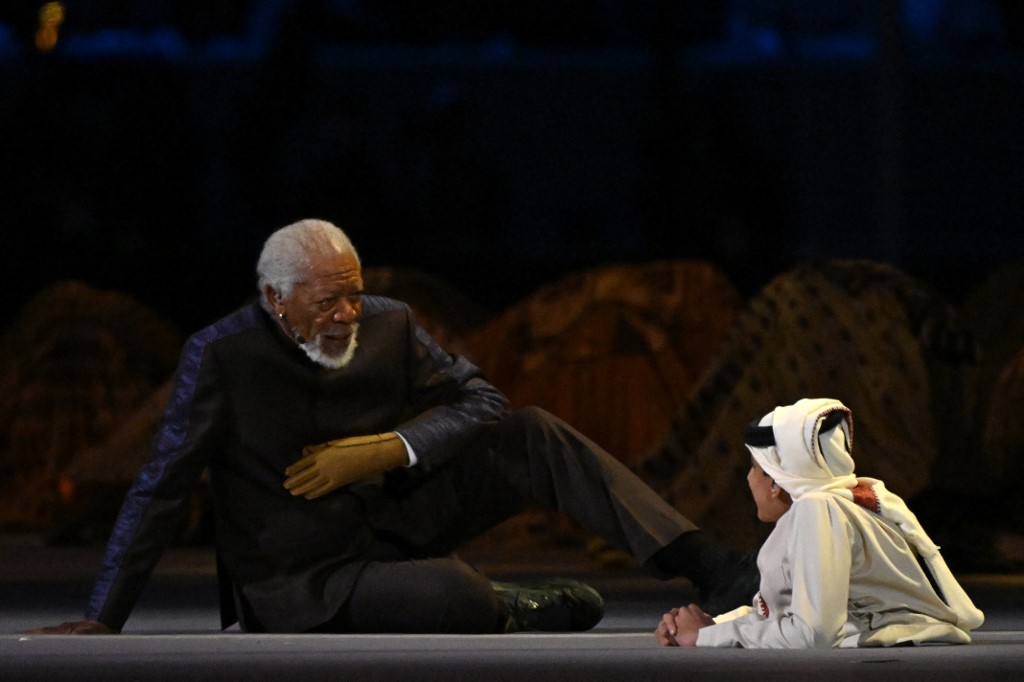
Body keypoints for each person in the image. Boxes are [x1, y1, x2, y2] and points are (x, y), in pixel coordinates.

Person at [27, 218, 757, 636]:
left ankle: (711, 566)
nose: (348, 314)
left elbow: (483, 403)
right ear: (278, 301)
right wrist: (104, 617)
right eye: (328, 303)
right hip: (306, 574)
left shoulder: (389, 325)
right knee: (453, 596)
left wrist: (389, 448)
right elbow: (158, 491)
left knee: (535, 432)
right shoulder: (220, 357)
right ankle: (516, 607)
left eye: (354, 294)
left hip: (394, 514)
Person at [655, 397, 985, 648]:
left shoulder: (818, 509)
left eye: (755, 467)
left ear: (777, 480)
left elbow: (813, 633)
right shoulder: (849, 498)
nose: (748, 478)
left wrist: (709, 638)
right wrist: (711, 625)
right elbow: (791, 613)